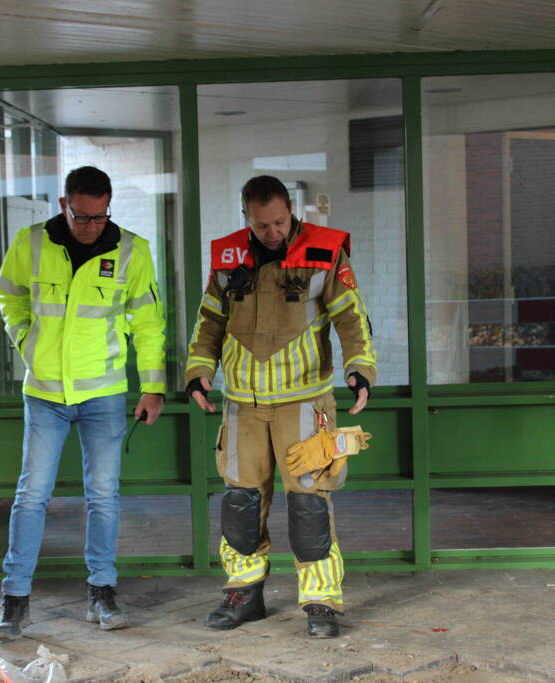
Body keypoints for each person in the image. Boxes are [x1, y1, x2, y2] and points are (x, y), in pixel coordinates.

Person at [185, 175, 376, 639]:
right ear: (246, 216)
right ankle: (244, 592)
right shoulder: (229, 258)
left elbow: (351, 317)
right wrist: (199, 370)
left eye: (279, 222)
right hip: (242, 403)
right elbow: (209, 321)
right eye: (261, 225)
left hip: (304, 402)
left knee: (309, 502)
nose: (272, 232)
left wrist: (360, 369)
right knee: (240, 503)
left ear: (290, 209)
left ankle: (320, 600)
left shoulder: (324, 252)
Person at [0, 166, 167, 641]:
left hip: (103, 392)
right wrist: (26, 341)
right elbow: (8, 296)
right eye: (83, 216)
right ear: (64, 204)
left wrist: (153, 386)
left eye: (100, 216)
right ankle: (14, 600)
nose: (92, 226)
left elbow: (149, 323)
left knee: (103, 495)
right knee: (31, 495)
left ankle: (102, 593)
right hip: (44, 392)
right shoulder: (31, 243)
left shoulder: (131, 251)